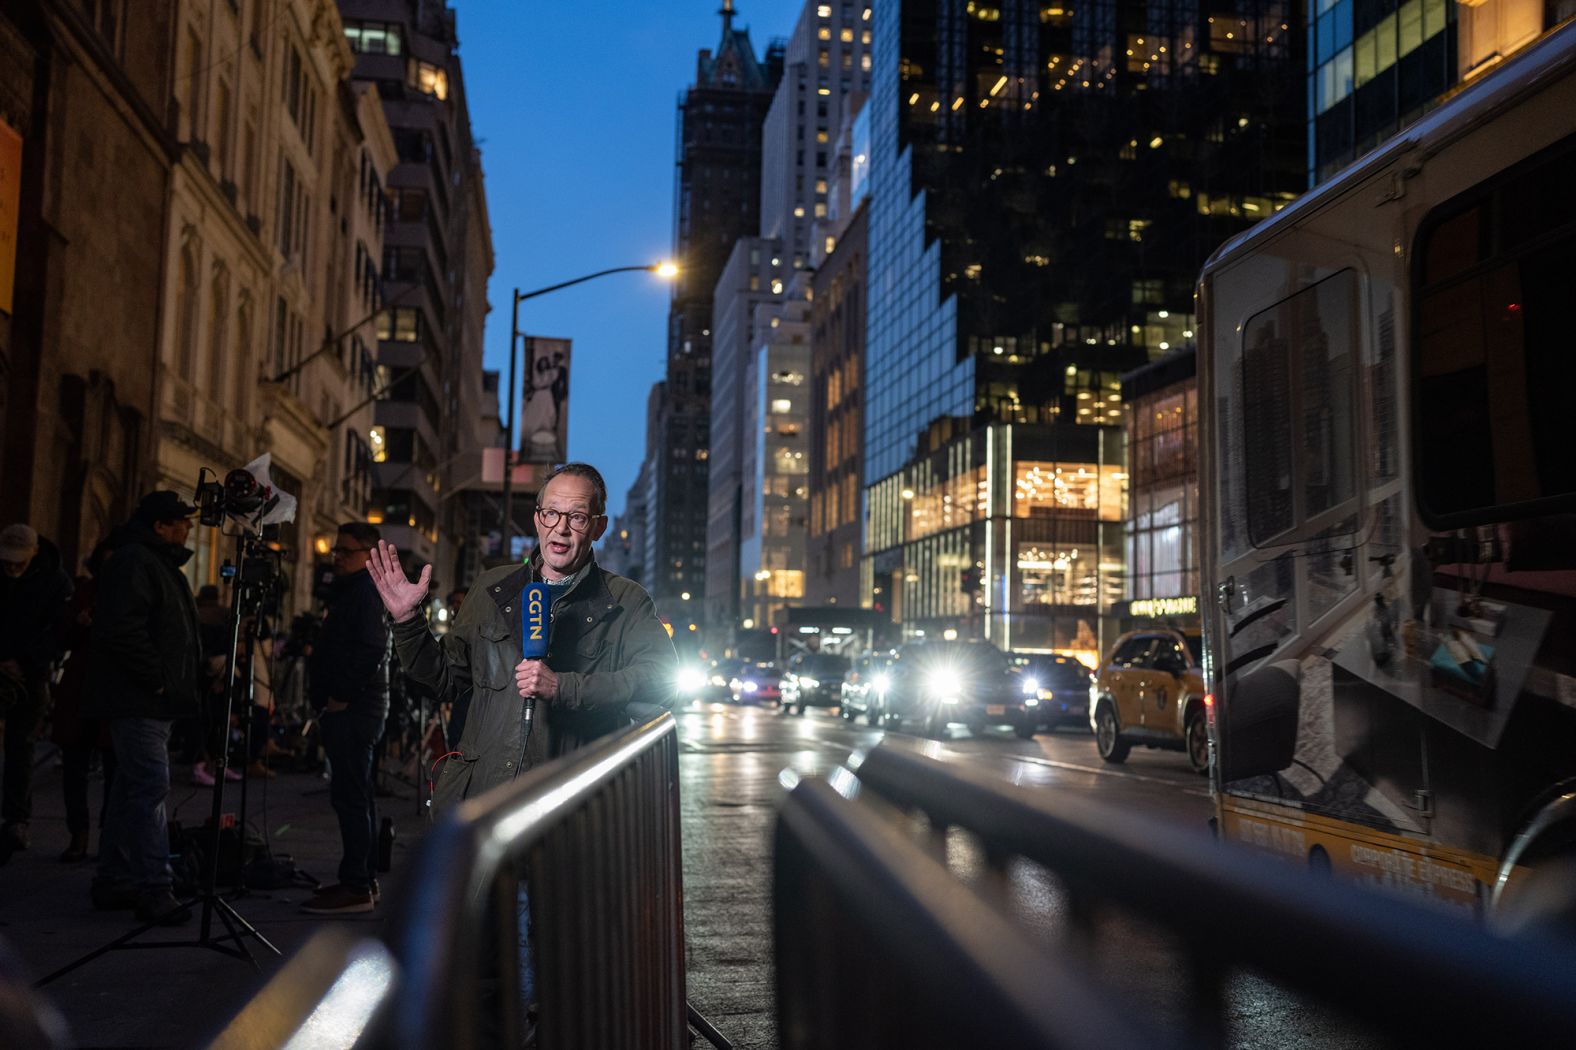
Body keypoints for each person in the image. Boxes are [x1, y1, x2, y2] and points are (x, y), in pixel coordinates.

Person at [367, 462, 676, 811]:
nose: (560, 529)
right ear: (537, 518)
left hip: (567, 809)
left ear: (598, 527)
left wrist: (564, 687)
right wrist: (408, 620)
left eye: (576, 517)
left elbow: (661, 683)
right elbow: (443, 681)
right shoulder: (493, 588)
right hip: (482, 802)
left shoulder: (625, 601)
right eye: (551, 513)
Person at [85, 492, 203, 924]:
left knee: (128, 790)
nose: (189, 529)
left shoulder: (157, 563)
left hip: (149, 700)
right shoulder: (137, 561)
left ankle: (114, 878)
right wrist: (157, 679)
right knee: (150, 787)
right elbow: (123, 629)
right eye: (182, 522)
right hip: (139, 700)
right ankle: (155, 886)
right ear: (160, 526)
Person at [301, 522, 391, 915]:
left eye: (345, 551)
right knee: (357, 796)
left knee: (351, 797)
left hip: (355, 710)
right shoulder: (356, 591)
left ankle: (356, 885)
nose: (335, 557)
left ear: (367, 555)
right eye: (335, 550)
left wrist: (341, 696)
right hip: (356, 707)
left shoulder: (365, 593)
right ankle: (361, 878)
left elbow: (372, 648)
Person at [0, 523, 74, 863]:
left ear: (33, 552)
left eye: (18, 562)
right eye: (7, 562)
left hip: (32, 675)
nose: (12, 568)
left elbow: (59, 631)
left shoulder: (55, 582)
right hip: (5, 664)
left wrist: (26, 661)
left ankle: (16, 819)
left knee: (21, 747)